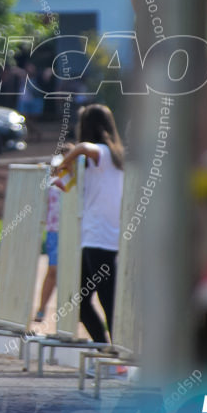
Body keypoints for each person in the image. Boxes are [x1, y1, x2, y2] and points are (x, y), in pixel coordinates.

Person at [53, 105, 124, 345]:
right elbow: (67, 185)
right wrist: (66, 173)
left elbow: (83, 147)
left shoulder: (102, 153)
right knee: (83, 304)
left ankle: (118, 355)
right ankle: (105, 349)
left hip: (99, 237)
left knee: (107, 302)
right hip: (98, 238)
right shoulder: (112, 158)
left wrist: (64, 161)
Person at [35, 143, 73, 324]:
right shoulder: (52, 183)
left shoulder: (76, 181)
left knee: (71, 273)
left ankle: (71, 313)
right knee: (53, 270)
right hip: (54, 232)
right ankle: (42, 308)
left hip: (73, 231)